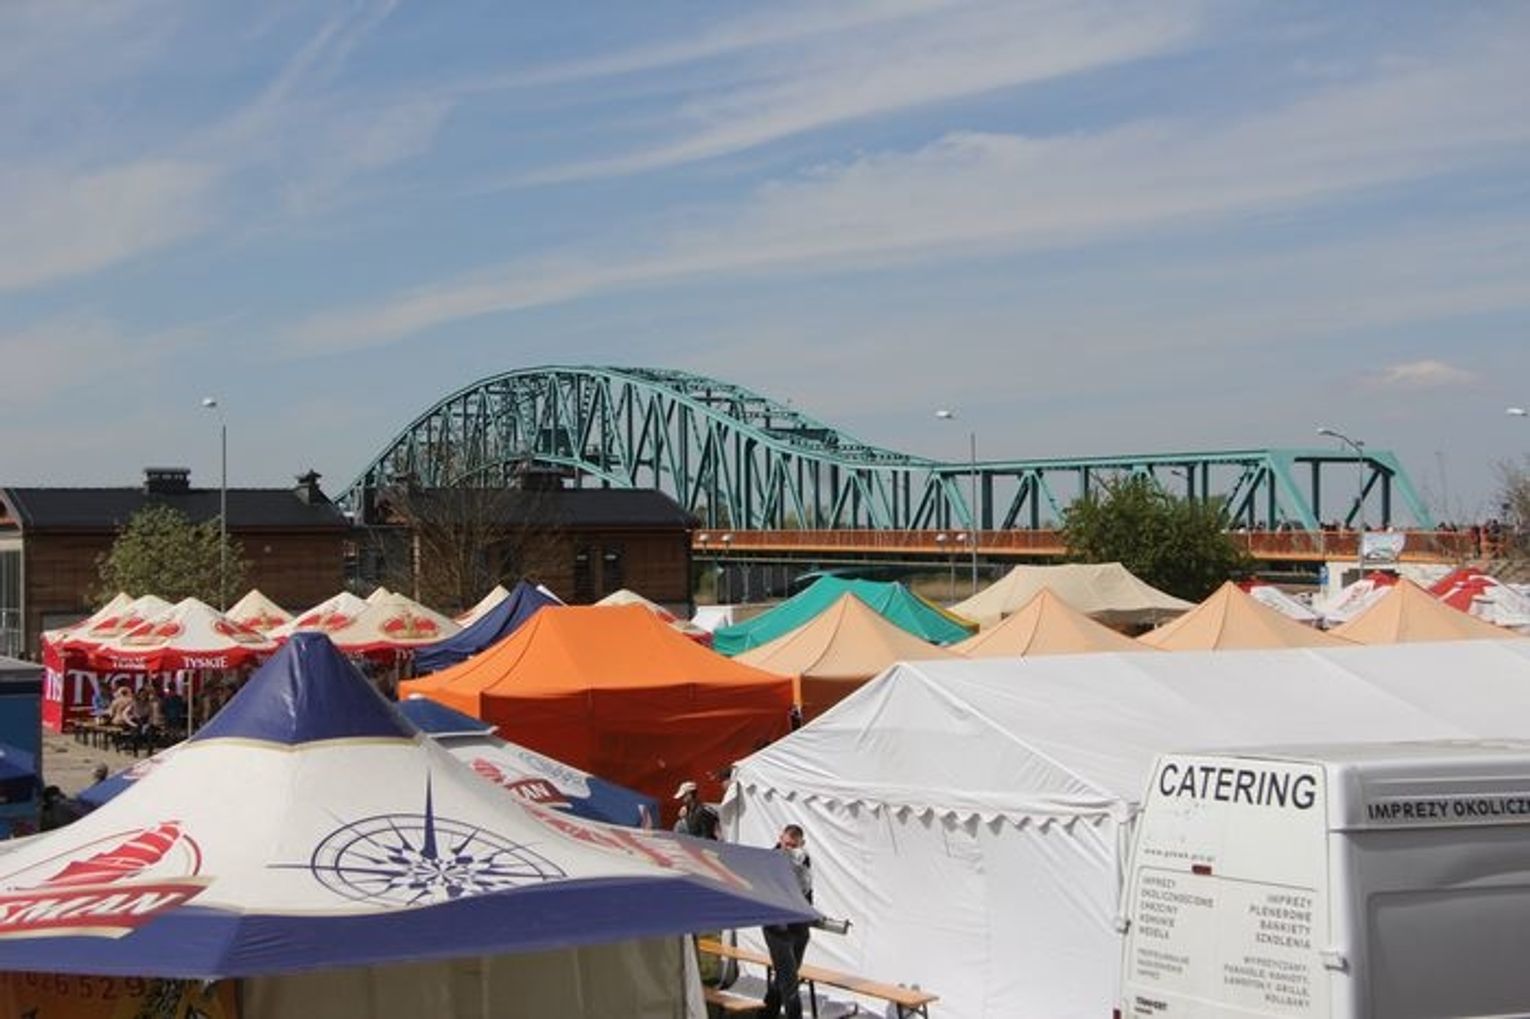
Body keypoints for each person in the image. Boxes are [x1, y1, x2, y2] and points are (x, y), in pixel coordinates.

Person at [761, 824, 813, 1019]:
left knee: (785, 974)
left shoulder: (803, 858)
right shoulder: (770, 859)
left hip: (798, 924)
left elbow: (807, 889)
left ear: (801, 844)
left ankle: (767, 1013)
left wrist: (808, 913)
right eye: (786, 844)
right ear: (780, 839)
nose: (789, 848)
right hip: (776, 926)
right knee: (790, 979)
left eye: (793, 845)